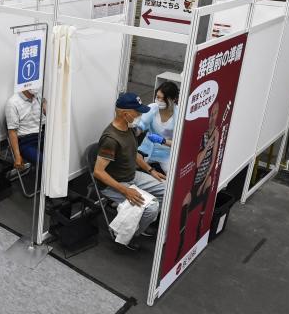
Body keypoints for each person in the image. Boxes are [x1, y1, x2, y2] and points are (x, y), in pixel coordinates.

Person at [92, 92, 168, 251]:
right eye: (137, 112)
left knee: (167, 189)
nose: (140, 115)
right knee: (151, 208)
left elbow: (134, 154)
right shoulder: (111, 139)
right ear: (125, 113)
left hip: (132, 176)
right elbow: (98, 172)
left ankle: (140, 222)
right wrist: (125, 191)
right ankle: (130, 235)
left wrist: (151, 170)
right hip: (115, 184)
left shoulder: (129, 128)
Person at [175, 102, 222, 259]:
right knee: (184, 204)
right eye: (211, 114)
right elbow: (198, 161)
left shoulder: (217, 132)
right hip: (192, 179)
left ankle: (200, 225)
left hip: (203, 178)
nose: (212, 118)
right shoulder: (203, 134)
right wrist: (208, 143)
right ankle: (180, 243)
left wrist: (204, 182)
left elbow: (213, 159)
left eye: (215, 114)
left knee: (208, 181)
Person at [136, 81, 179, 174]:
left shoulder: (179, 115)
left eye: (163, 99)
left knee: (173, 177)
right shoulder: (152, 108)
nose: (159, 101)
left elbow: (180, 143)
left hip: (166, 153)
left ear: (174, 99)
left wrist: (162, 141)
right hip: (147, 148)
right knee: (132, 164)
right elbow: (141, 125)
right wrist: (135, 129)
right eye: (157, 97)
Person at [5, 88, 45, 169]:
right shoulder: (13, 103)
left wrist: (45, 106)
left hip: (42, 135)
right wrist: (17, 157)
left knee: (56, 157)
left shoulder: (38, 97)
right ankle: (43, 181)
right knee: (44, 163)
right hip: (25, 141)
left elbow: (47, 115)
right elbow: (12, 131)